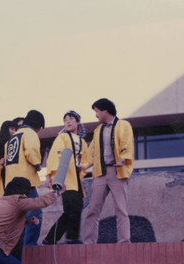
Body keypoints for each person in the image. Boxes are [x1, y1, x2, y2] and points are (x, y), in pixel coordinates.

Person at [81, 98, 134, 244]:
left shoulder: (123, 125)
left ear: (105, 110)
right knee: (92, 209)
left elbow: (127, 143)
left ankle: (124, 242)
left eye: (97, 111)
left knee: (121, 209)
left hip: (117, 171)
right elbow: (92, 152)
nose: (96, 115)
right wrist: (84, 166)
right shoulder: (98, 130)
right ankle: (88, 242)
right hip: (100, 173)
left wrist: (123, 158)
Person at [43, 110, 89, 245]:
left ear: (78, 122)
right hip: (65, 179)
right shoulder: (62, 138)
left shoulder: (82, 142)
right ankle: (71, 238)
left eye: (71, 119)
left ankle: (51, 239)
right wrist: (49, 177)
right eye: (65, 120)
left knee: (74, 209)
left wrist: (82, 167)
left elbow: (85, 160)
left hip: (76, 180)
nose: (67, 122)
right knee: (72, 208)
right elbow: (53, 157)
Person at [5, 110, 45, 247]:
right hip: (25, 181)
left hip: (11, 183)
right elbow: (31, 150)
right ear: (38, 125)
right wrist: (37, 164)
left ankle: (17, 245)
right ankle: (30, 246)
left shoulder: (13, 136)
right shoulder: (30, 134)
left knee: (17, 217)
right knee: (35, 213)